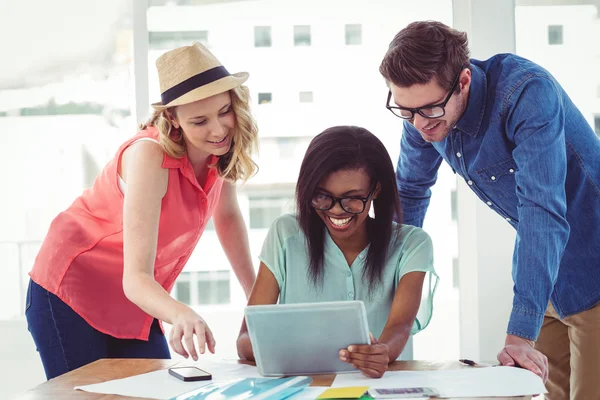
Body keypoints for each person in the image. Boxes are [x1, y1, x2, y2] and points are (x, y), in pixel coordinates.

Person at [379, 21, 600, 399]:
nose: (418, 125)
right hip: (541, 278)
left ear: (463, 81)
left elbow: (541, 209)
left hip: (592, 271)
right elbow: (410, 194)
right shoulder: (421, 116)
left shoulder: (526, 93)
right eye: (405, 110)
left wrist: (519, 334)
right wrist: (384, 290)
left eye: (429, 109)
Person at [25, 42, 259, 380]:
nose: (219, 130)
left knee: (159, 390)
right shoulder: (150, 157)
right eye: (199, 121)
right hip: (70, 290)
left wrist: (256, 299)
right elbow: (135, 278)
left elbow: (227, 217)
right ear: (172, 119)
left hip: (133, 303)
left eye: (224, 111)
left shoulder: (218, 153)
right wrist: (181, 313)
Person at [236, 126, 438, 378]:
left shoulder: (412, 244)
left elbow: (400, 326)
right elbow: (245, 339)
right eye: (322, 197)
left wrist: (381, 353)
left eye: (352, 198)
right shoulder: (286, 233)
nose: (336, 211)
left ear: (376, 189)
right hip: (305, 391)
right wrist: (285, 348)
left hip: (379, 390)